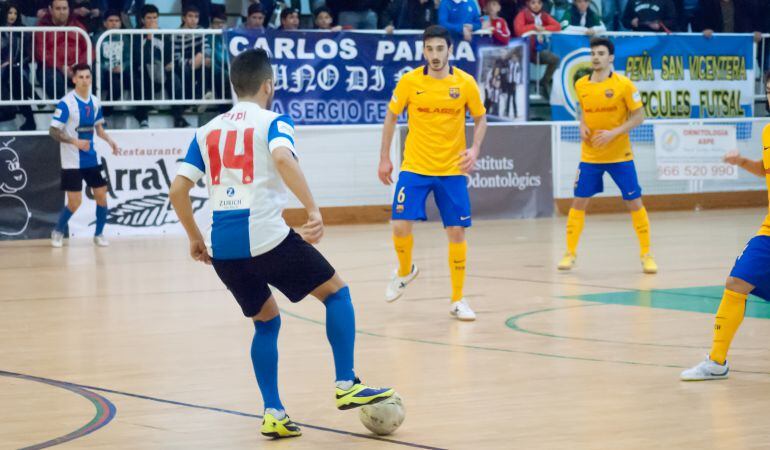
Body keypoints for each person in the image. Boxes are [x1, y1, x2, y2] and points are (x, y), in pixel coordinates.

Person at [168, 48, 394, 439]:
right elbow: (284, 160)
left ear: (234, 85)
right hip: (266, 237)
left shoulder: (205, 132)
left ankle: (273, 411)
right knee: (337, 294)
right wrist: (313, 209)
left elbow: (178, 189)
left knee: (266, 322)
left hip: (224, 247)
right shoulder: (274, 121)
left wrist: (195, 238)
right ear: (268, 85)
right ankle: (346, 384)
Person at [378, 25, 487, 321]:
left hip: (452, 170)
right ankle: (405, 271)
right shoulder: (410, 82)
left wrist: (474, 149)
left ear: (450, 50)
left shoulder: (465, 83)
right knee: (400, 225)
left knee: (456, 232)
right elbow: (391, 116)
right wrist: (385, 157)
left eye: (440, 49)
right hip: (415, 166)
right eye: (430, 49)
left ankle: (457, 299)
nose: (435, 55)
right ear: (423, 51)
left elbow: (481, 118)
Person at [680, 76, 770, 381]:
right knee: (736, 282)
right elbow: (765, 168)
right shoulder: (769, 131)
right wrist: (743, 161)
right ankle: (716, 362)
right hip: (769, 229)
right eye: (768, 92)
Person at [557, 37, 656, 274]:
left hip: (620, 155)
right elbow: (583, 110)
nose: (595, 57)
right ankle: (570, 253)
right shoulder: (581, 84)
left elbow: (639, 117)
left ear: (610, 57)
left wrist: (614, 133)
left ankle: (646, 255)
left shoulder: (624, 85)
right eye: (593, 53)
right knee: (579, 201)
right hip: (590, 156)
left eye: (601, 53)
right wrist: (581, 124)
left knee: (634, 202)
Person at [49, 63, 119, 248]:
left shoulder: (95, 102)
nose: (85, 80)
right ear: (74, 79)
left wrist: (110, 141)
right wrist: (74, 142)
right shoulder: (66, 103)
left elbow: (99, 129)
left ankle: (99, 234)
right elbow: (54, 131)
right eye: (81, 77)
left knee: (102, 195)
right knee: (75, 202)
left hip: (91, 159)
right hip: (72, 160)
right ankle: (57, 231)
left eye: (88, 77)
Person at [35, 0, 90, 101]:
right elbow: (41, 53)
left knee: (93, 74)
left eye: (65, 8)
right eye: (58, 8)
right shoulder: (42, 27)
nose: (62, 12)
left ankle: (93, 112)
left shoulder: (78, 26)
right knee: (53, 79)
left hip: (76, 68)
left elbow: (89, 50)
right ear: (50, 10)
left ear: (69, 10)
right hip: (51, 69)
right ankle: (67, 112)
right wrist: (61, 67)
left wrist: (78, 65)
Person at [513, 0, 561, 96]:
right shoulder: (522, 14)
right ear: (528, 3)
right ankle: (519, 91)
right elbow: (518, 30)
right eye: (533, 2)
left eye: (539, 3)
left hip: (538, 50)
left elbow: (557, 26)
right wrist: (533, 27)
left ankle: (544, 82)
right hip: (523, 51)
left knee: (555, 60)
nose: (536, 5)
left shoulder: (544, 15)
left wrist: (544, 28)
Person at [0, 1, 36, 130]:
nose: (13, 16)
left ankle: (30, 121)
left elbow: (28, 55)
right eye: (10, 12)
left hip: (18, 67)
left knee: (15, 77)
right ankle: (34, 99)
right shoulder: (1, 30)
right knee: (17, 83)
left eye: (15, 13)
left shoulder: (22, 31)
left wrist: (14, 63)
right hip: (3, 68)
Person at [94, 9, 130, 116]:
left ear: (120, 23)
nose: (114, 23)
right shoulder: (97, 38)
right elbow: (94, 59)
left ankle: (104, 113)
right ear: (105, 23)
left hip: (121, 72)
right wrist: (107, 68)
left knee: (121, 83)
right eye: (111, 20)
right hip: (103, 72)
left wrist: (123, 67)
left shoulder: (126, 38)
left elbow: (129, 58)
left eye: (117, 20)